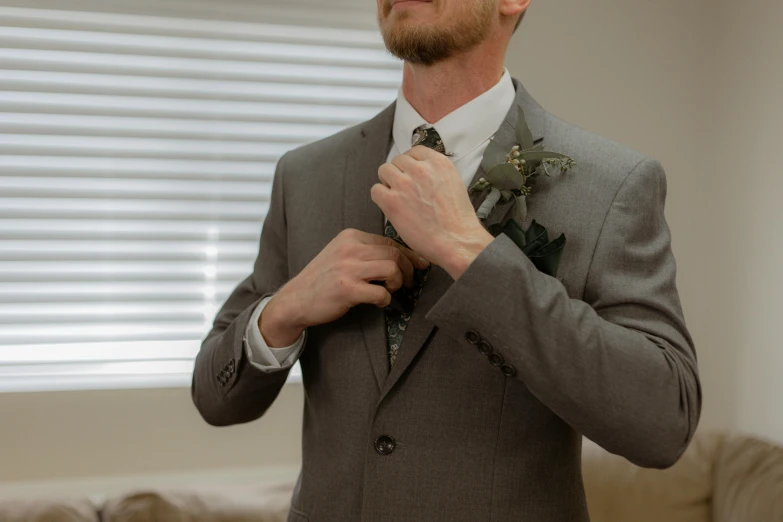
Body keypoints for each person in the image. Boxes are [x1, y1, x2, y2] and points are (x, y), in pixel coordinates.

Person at [192, 0, 702, 520]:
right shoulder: (306, 176)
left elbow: (664, 423)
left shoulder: (610, 186)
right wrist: (283, 310)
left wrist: (472, 253)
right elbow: (217, 398)